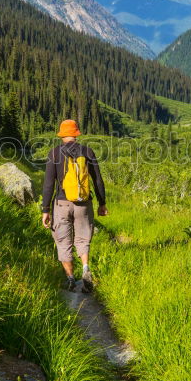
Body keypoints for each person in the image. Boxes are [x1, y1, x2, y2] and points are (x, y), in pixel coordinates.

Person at [41, 119, 107, 293]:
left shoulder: (54, 154)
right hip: (84, 204)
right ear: (77, 133)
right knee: (83, 239)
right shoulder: (87, 152)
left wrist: (45, 210)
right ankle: (85, 268)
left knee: (63, 241)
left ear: (62, 135)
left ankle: (70, 279)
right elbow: (98, 180)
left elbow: (48, 184)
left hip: (61, 204)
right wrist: (102, 203)